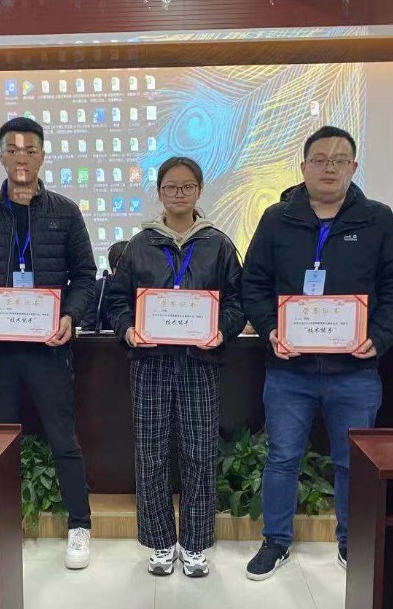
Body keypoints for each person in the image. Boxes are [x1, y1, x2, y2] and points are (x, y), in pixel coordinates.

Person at [242, 126, 393, 579]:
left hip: (354, 370)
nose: (329, 167)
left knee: (351, 461)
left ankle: (350, 541)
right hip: (289, 369)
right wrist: (269, 329)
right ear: (303, 167)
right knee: (282, 458)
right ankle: (275, 541)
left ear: (354, 167)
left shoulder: (377, 219)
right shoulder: (276, 219)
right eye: (320, 159)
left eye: (340, 160)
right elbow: (253, 283)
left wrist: (380, 335)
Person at [0, 117, 96, 569]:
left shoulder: (65, 212)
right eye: (13, 149)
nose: (22, 157)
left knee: (63, 438)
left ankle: (80, 526)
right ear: (0, 156)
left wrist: (71, 316)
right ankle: (0, 525)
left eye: (30, 149)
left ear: (42, 156)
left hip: (48, 347)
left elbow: (85, 275)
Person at [105, 157, 245, 577]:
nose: (179, 194)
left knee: (200, 453)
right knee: (151, 454)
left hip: (201, 363)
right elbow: (116, 301)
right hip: (150, 362)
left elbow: (237, 302)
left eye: (187, 187)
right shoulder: (139, 245)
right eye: (171, 187)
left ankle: (195, 544)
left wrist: (221, 330)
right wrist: (128, 330)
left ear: (199, 191)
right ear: (159, 192)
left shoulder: (219, 245)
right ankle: (161, 542)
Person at [80, 240, 128, 332]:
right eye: (118, 267)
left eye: (127, 267)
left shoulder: (141, 287)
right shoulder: (100, 287)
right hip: (105, 339)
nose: (123, 273)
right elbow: (88, 324)